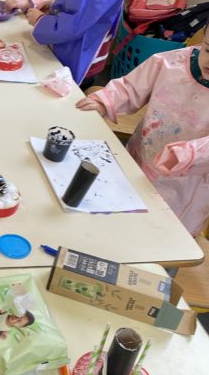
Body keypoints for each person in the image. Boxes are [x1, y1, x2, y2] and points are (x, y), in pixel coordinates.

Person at [76, 21, 209, 237]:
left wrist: (190, 154)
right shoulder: (173, 63)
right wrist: (106, 101)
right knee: (118, 211)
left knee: (159, 234)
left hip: (187, 187)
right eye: (208, 49)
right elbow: (131, 87)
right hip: (141, 156)